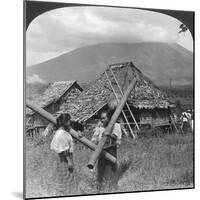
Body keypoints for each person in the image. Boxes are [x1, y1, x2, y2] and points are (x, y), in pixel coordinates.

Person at [91, 110, 122, 191]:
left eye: (104, 118)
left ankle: (111, 188)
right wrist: (93, 141)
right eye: (101, 118)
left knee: (110, 170)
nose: (102, 120)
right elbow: (94, 138)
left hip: (111, 150)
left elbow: (116, 137)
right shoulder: (100, 127)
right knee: (100, 170)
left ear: (109, 118)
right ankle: (100, 188)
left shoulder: (116, 126)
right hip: (101, 151)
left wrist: (109, 134)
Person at [50, 113, 75, 194]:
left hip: (63, 158)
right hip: (64, 159)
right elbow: (64, 150)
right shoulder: (61, 134)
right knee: (65, 180)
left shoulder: (61, 132)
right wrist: (69, 161)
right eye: (69, 121)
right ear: (65, 122)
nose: (70, 123)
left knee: (64, 179)